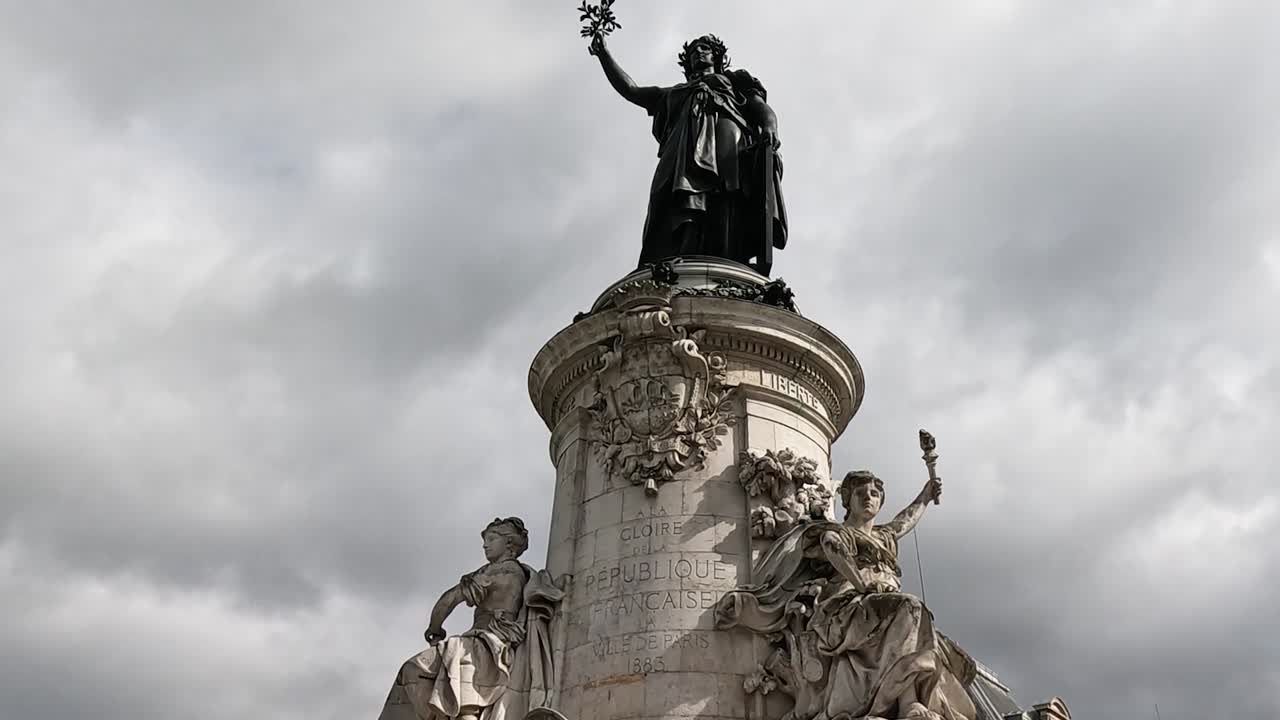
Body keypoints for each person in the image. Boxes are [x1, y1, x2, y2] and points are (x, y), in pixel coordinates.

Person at [716, 471, 977, 720]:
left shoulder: (883, 536)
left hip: (883, 606)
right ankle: (908, 702)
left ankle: (908, 700)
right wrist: (862, 585)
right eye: (861, 493)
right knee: (910, 609)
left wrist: (925, 495)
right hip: (846, 608)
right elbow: (832, 547)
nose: (868, 498)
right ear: (847, 500)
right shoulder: (839, 532)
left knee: (917, 621)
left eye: (874, 494)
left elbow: (905, 521)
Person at [589, 33, 788, 275]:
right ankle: (679, 255)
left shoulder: (734, 81)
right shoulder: (672, 93)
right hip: (681, 151)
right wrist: (604, 55)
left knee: (725, 194)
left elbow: (761, 108)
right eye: (693, 50)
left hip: (727, 140)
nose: (698, 52)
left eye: (704, 48)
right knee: (673, 197)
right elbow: (632, 90)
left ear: (717, 55)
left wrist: (770, 127)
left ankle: (727, 255)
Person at [379, 518, 564, 720]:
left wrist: (435, 627)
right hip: (491, 646)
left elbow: (449, 600)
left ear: (509, 543)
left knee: (413, 670)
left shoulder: (498, 572)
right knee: (465, 707)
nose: (485, 545)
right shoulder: (518, 573)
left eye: (492, 539)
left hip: (484, 645)